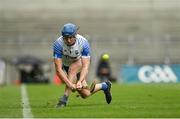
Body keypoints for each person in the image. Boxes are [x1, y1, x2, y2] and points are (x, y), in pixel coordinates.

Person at [53, 23, 112, 108]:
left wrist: (80, 81)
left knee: (72, 70)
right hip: (66, 65)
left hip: (79, 62)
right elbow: (58, 69)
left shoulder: (83, 43)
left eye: (71, 37)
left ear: (75, 35)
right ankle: (105, 85)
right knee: (85, 94)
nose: (68, 40)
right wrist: (70, 84)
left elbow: (85, 66)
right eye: (66, 38)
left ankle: (64, 100)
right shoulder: (58, 44)